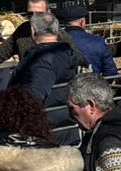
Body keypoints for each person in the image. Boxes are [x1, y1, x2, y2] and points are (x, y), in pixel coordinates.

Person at [8, 10, 84, 140]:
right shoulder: (65, 53)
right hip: (64, 125)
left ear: (33, 31)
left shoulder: (42, 60)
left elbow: (33, 97)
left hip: (46, 132)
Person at [0, 0, 54, 69]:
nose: (34, 17)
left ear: (48, 12)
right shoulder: (23, 30)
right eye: (30, 13)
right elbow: (2, 52)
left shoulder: (58, 34)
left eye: (39, 13)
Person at [59, 4, 118, 77]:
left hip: (65, 86)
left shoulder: (56, 41)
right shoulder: (98, 42)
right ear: (82, 22)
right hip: (92, 85)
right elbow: (111, 72)